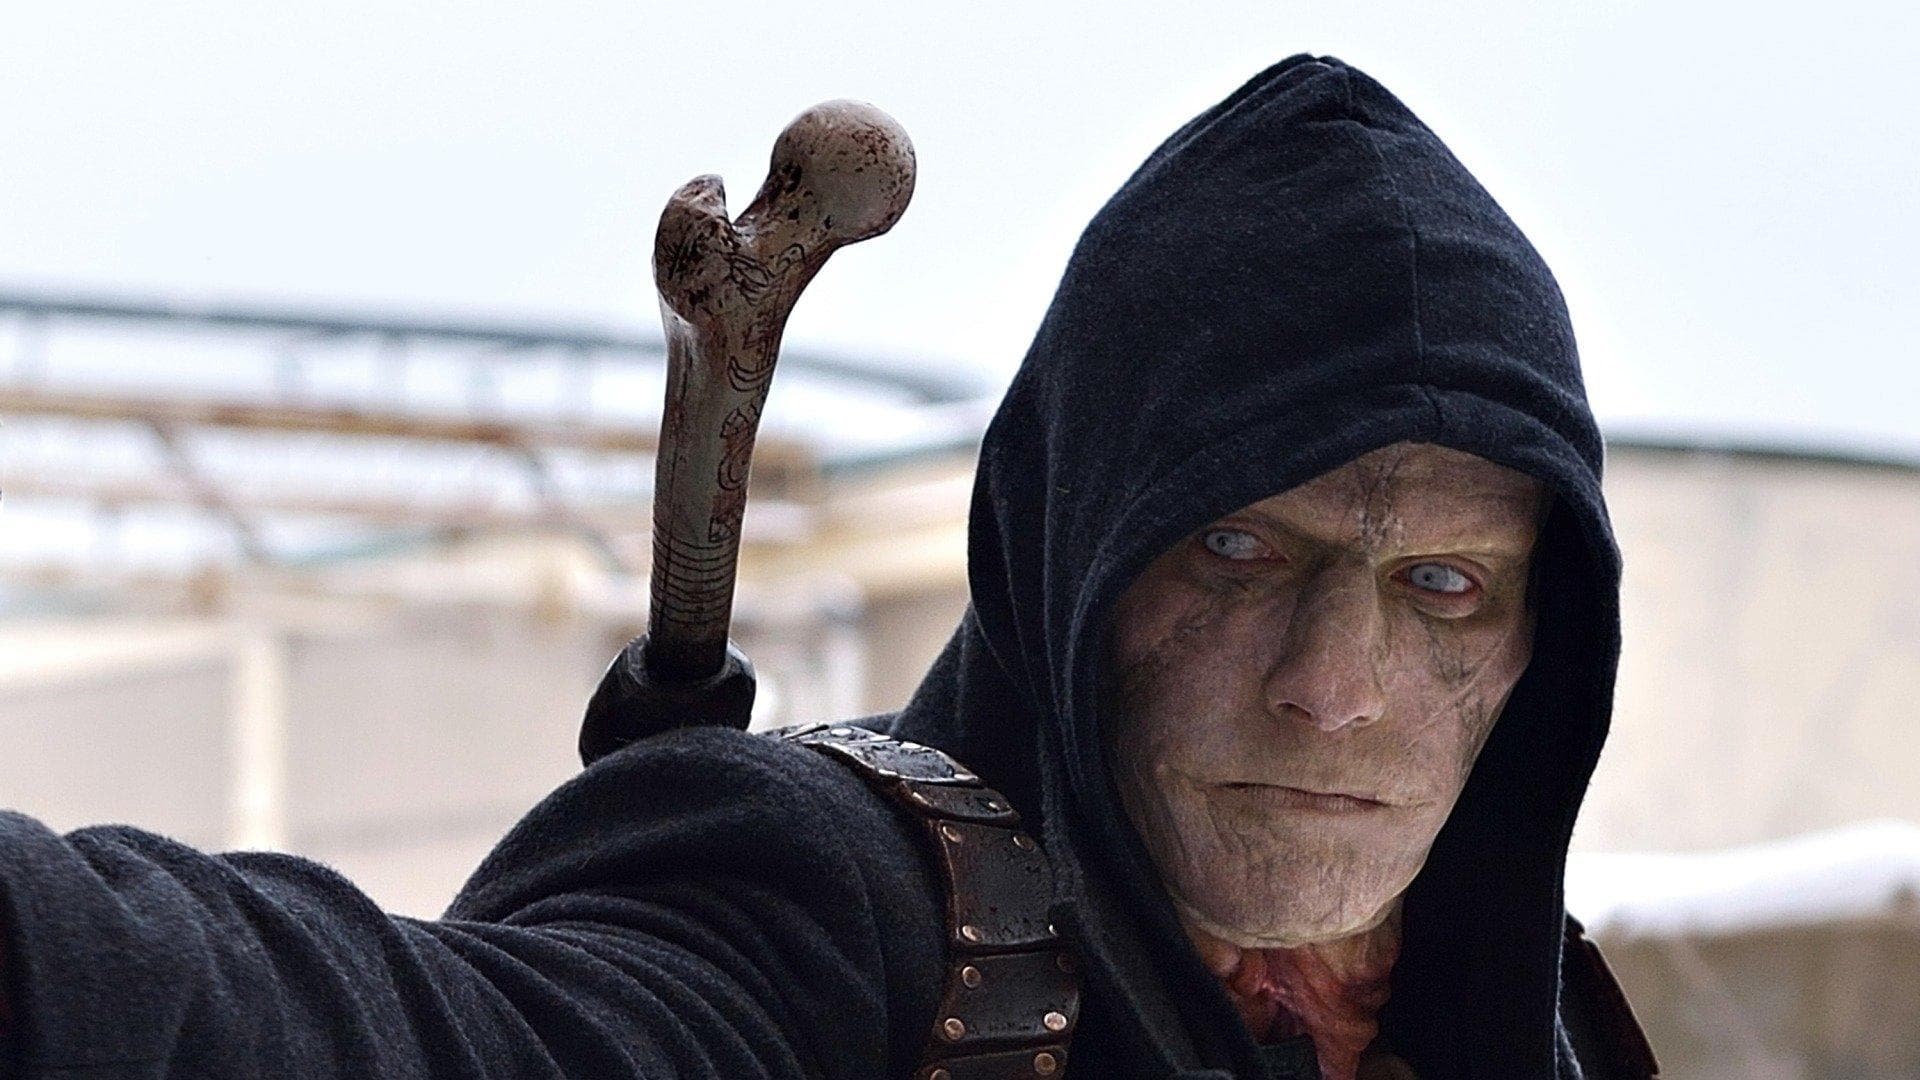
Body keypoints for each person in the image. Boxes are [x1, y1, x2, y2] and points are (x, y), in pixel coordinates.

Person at [0, 55, 1656, 1079]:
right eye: (1237, 549)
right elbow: (373, 1035)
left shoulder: (1537, 1014)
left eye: (1445, 585)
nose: (1336, 687)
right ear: (1067, 561)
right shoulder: (830, 913)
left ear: (1546, 636)